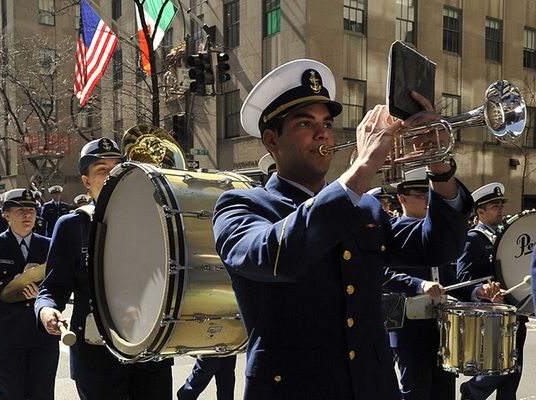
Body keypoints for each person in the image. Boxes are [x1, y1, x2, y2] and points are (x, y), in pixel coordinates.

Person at [212, 59, 472, 399]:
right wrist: (363, 167)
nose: (322, 133)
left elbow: (439, 246)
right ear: (272, 141)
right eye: (305, 123)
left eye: (327, 123)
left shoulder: (363, 207)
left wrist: (439, 166)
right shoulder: (241, 206)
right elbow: (278, 257)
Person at [36, 138, 173, 400]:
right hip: (96, 355)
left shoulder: (152, 222)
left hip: (149, 353)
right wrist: (45, 309)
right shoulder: (72, 226)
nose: (112, 175)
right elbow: (53, 288)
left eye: (118, 167)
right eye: (101, 169)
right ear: (86, 181)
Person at [385, 168, 495, 400]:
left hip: (442, 328)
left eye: (429, 195)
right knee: (416, 391)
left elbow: (450, 278)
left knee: (444, 392)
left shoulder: (437, 235)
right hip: (409, 328)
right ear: (402, 198)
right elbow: (382, 273)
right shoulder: (392, 232)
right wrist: (417, 284)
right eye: (420, 195)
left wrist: (477, 291)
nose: (427, 201)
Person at [0, 188, 58, 400]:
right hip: (7, 333)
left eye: (31, 210)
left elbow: (60, 286)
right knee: (11, 393)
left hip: (41, 334)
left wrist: (46, 296)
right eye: (20, 210)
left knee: (43, 394)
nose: (28, 215)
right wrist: (17, 280)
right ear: (6, 215)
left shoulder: (48, 245)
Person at [457, 183, 525, 400]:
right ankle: (473, 390)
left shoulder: (507, 237)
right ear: (480, 212)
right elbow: (461, 279)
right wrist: (482, 290)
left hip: (514, 310)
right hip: (491, 315)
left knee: (514, 369)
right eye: (494, 206)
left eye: (500, 205)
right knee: (501, 365)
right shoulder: (473, 240)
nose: (500, 209)